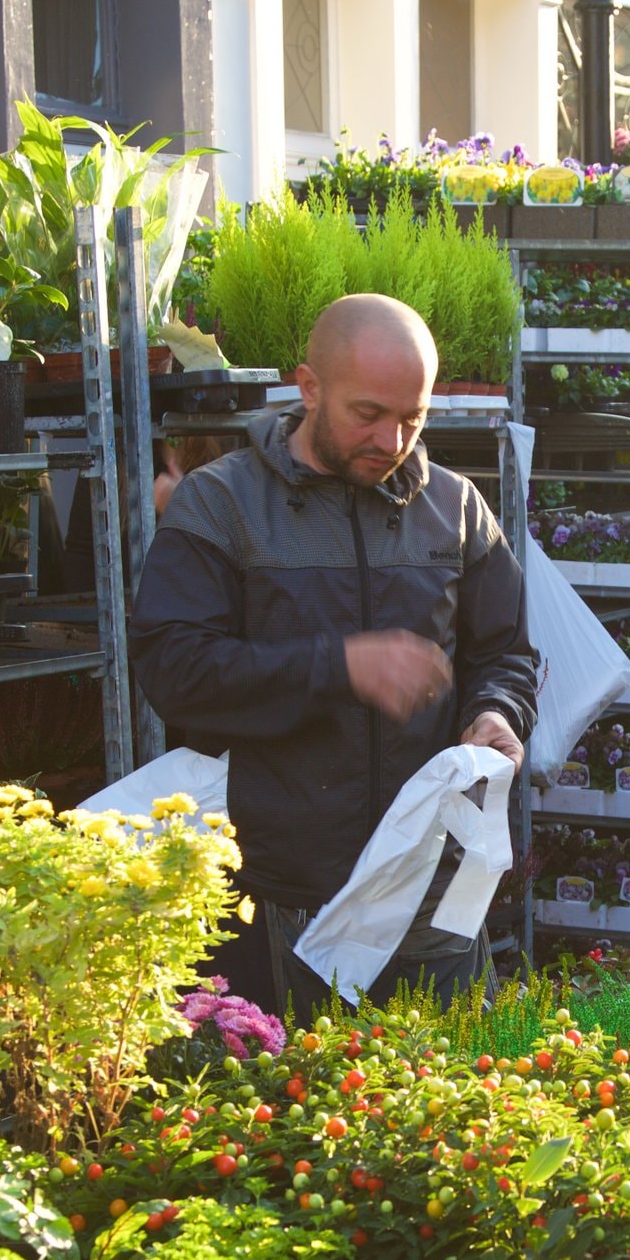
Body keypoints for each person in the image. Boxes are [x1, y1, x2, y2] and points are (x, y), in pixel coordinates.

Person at [131, 294, 537, 1017]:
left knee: (455, 1109)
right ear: (309, 388)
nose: (393, 439)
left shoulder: (457, 507)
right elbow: (175, 672)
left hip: (432, 892)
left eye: (414, 418)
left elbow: (504, 652)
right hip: (278, 894)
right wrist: (340, 666)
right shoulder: (220, 507)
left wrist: (495, 713)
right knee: (293, 1110)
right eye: (369, 414)